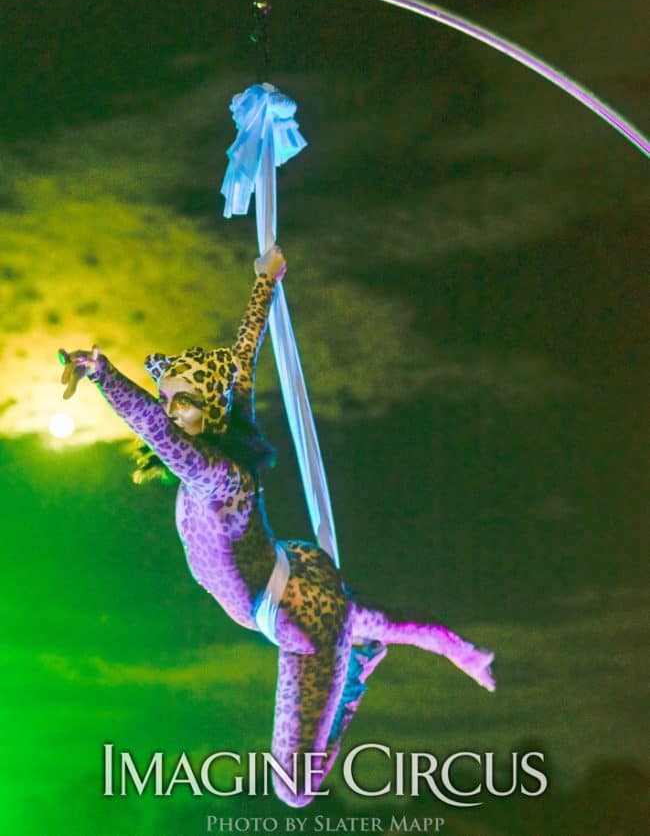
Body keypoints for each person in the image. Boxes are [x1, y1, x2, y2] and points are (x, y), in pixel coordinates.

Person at [59, 245, 495, 807]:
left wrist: (102, 373)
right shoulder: (216, 441)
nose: (171, 413)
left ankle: (363, 662)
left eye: (184, 403)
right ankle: (418, 646)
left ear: (208, 413)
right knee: (379, 621)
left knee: (293, 790)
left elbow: (158, 432)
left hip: (300, 619)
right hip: (291, 573)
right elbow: (243, 360)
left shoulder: (217, 475)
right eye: (168, 400)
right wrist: (264, 281)